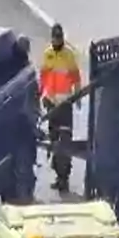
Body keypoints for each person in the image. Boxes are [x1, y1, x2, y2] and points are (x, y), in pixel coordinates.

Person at [38, 22, 81, 192]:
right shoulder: (47, 54)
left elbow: (76, 76)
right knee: (54, 140)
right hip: (51, 103)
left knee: (65, 140)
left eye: (59, 38)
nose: (57, 41)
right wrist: (41, 95)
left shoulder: (69, 55)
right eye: (54, 38)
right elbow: (43, 77)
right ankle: (58, 175)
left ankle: (65, 177)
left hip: (64, 103)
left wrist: (77, 97)